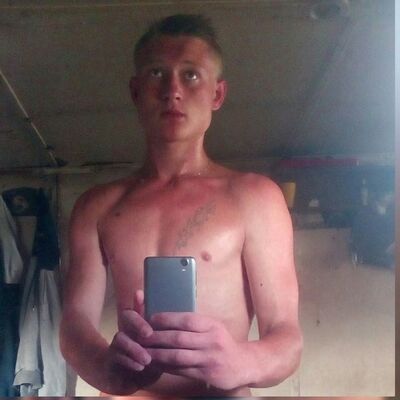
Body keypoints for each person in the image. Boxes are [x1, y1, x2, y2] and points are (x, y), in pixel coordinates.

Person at [60, 14, 302, 398]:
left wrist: (241, 361)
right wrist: (105, 370)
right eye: (157, 73)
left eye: (191, 75)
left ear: (217, 95)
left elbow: (286, 335)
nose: (172, 91)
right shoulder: (97, 206)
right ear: (136, 91)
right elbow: (75, 323)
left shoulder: (255, 197)